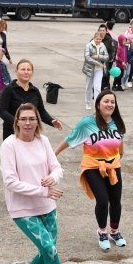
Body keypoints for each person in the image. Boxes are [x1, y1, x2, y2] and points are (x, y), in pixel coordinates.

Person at [0, 103, 88, 264]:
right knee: (49, 249)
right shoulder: (9, 145)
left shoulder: (44, 141)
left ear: (38, 121)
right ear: (16, 121)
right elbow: (10, 182)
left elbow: (57, 168)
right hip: (22, 208)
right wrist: (42, 191)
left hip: (47, 204)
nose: (27, 123)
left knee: (48, 250)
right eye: (23, 119)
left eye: (32, 119)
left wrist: (53, 178)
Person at [55, 91, 127, 250]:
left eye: (112, 102)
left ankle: (114, 232)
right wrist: (53, 155)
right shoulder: (87, 123)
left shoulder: (117, 122)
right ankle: (102, 231)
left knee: (116, 200)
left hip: (113, 166)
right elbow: (69, 139)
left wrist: (120, 154)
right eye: (106, 101)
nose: (109, 104)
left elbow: (120, 139)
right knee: (102, 200)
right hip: (93, 166)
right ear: (98, 104)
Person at [0, 59, 63, 139]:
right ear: (16, 72)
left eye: (28, 70)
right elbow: (2, 111)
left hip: (31, 134)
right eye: (23, 69)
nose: (26, 72)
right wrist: (18, 122)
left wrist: (51, 121)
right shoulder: (9, 90)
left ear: (32, 73)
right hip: (12, 133)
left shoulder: (35, 91)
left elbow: (41, 111)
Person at [83, 29, 108, 108]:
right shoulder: (88, 45)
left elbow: (106, 57)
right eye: (97, 39)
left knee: (97, 87)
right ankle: (88, 102)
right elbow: (87, 58)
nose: (98, 41)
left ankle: (97, 104)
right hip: (90, 69)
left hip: (99, 69)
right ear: (94, 38)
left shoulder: (103, 46)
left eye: (100, 39)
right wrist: (98, 63)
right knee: (89, 86)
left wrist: (99, 56)